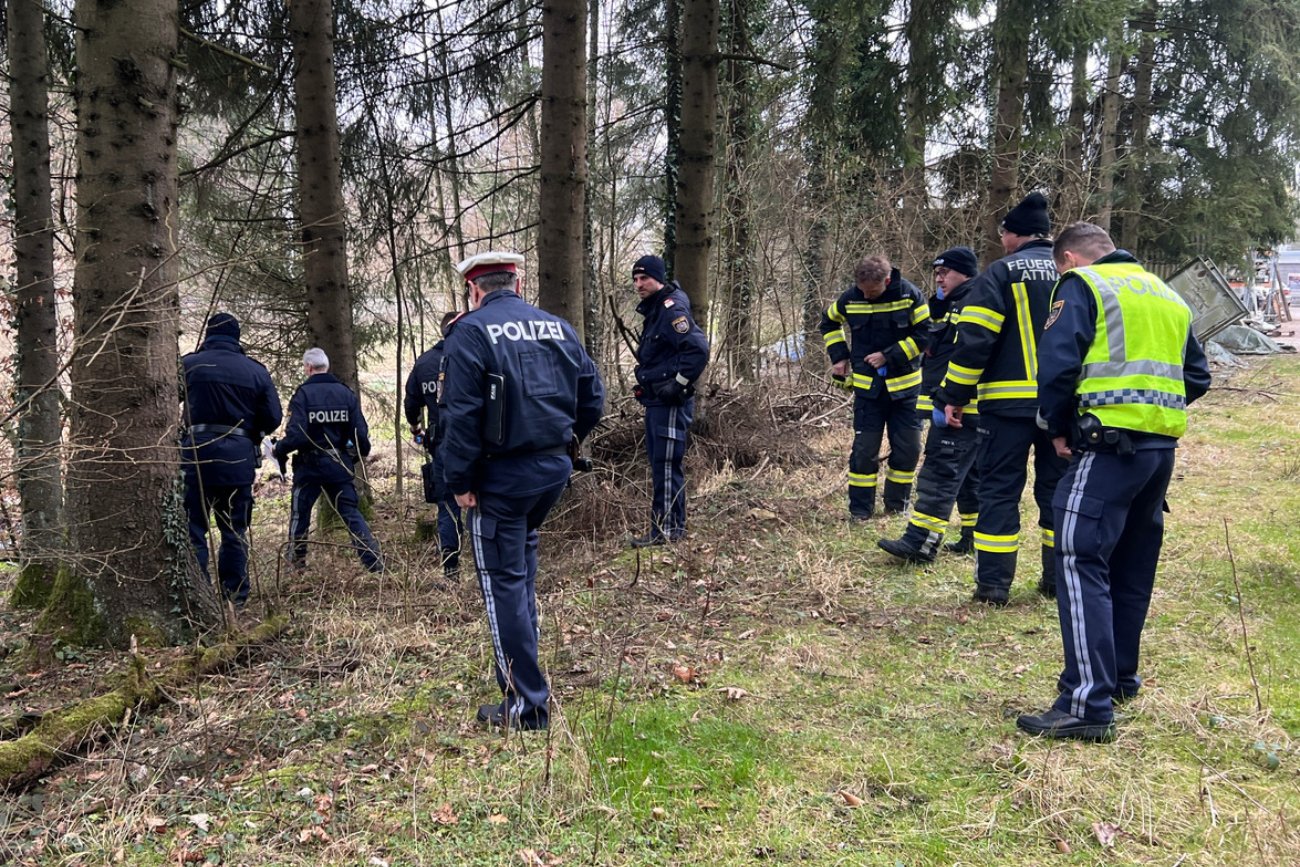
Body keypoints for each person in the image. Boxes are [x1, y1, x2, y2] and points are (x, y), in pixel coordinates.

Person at [1016, 223, 1211, 741]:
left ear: (1072, 259)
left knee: (1079, 560)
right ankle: (1120, 678)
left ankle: (1086, 701)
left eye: (1061, 269)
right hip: (1158, 452)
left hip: (1105, 448)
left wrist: (1057, 428)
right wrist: (1149, 413)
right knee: (1130, 565)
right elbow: (1197, 376)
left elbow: (1057, 367)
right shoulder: (1168, 294)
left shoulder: (1084, 286)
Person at [441, 251, 605, 731]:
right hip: (551, 471)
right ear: (517, 282)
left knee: (503, 584)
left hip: (500, 479)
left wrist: (459, 482)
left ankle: (526, 706)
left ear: (474, 291)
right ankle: (528, 689)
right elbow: (592, 398)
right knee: (521, 574)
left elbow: (461, 416)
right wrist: (566, 440)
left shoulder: (469, 332)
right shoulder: (557, 326)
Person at [933, 192, 1067, 605]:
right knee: (1057, 493)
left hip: (1006, 410)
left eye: (1003, 232)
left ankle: (993, 587)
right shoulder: (1074, 270)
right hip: (1061, 407)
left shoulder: (999, 273)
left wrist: (952, 395)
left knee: (999, 493)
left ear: (1013, 235)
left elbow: (975, 341)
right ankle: (1056, 580)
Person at [878, 246, 981, 561]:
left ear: (964, 273)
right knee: (969, 477)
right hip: (953, 404)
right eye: (936, 273)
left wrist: (953, 398)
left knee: (940, 472)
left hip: (959, 407)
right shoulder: (946, 303)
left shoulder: (972, 302)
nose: (938, 278)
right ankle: (971, 537)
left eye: (944, 272)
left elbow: (969, 353)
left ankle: (920, 544)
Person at [181, 313, 283, 606]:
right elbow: (273, 417)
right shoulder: (255, 371)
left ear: (207, 334)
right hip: (237, 460)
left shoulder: (189, 365)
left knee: (193, 529)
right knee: (234, 530)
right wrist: (248, 434)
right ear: (237, 337)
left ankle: (198, 597)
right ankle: (235, 597)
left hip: (194, 456)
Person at [819, 255, 930, 519]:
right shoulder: (850, 298)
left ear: (887, 280)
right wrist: (839, 357)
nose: (867, 296)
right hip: (869, 392)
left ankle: (896, 506)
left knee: (908, 449)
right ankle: (860, 511)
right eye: (863, 291)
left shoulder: (910, 296)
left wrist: (888, 355)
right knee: (864, 451)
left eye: (872, 291)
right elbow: (828, 321)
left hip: (906, 391)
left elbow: (925, 334)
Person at [274, 348, 384, 574]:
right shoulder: (345, 394)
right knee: (351, 513)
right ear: (327, 366)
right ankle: (374, 563)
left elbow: (296, 435)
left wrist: (278, 449)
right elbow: (360, 435)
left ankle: (295, 567)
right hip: (338, 464)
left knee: (300, 515)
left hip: (309, 466)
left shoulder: (302, 395)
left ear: (308, 368)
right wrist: (356, 455)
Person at [629, 254, 710, 547]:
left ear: (658, 278)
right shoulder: (655, 309)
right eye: (636, 279)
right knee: (661, 464)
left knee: (665, 464)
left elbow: (698, 349)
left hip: (669, 404)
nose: (639, 284)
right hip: (656, 401)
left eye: (645, 278)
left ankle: (664, 531)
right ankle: (672, 528)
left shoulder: (671, 309)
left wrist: (676, 385)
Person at [404, 311, 464, 577]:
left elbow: (411, 403)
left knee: (448, 504)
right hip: (479, 443)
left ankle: (451, 568)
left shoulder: (425, 362)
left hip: (441, 444)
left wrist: (417, 429)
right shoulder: (472, 355)